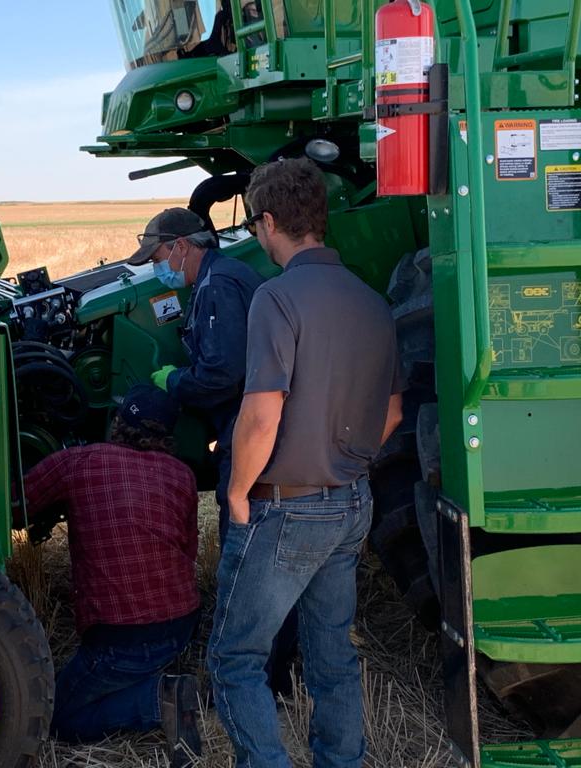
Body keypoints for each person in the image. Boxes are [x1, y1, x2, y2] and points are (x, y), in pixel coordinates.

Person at [207, 157, 404, 767]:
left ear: (267, 223)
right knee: (332, 658)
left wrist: (238, 492)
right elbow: (393, 412)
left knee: (235, 659)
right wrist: (348, 461)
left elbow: (262, 414)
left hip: (287, 507)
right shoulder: (371, 300)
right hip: (351, 502)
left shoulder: (277, 297)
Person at [25, 384, 202, 767]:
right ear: (167, 435)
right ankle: (156, 679)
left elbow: (14, 502)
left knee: (52, 718)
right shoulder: (182, 475)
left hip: (123, 642)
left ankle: (158, 699)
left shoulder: (79, 461)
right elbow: (189, 552)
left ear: (118, 422)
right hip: (181, 627)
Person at [128, 207, 262, 539]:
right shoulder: (217, 277)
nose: (157, 268)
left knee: (240, 529)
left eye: (158, 258)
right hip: (247, 419)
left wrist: (174, 380)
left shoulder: (218, 286)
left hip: (245, 423)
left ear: (182, 246)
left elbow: (222, 373)